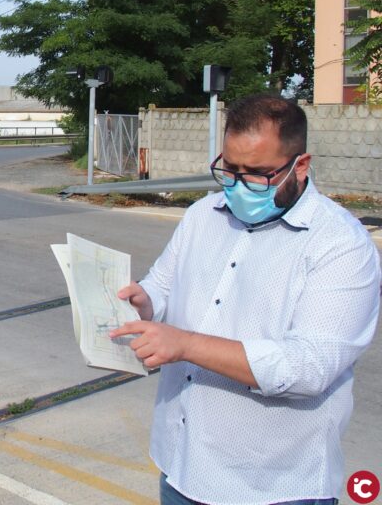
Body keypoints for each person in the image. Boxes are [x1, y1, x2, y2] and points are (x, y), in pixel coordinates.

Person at [111, 94, 380, 505]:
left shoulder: (340, 245)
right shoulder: (204, 214)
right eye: (229, 169)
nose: (237, 185)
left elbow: (309, 367)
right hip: (182, 464)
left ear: (300, 166)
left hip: (273, 487)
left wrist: (185, 345)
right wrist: (145, 301)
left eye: (256, 174)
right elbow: (163, 286)